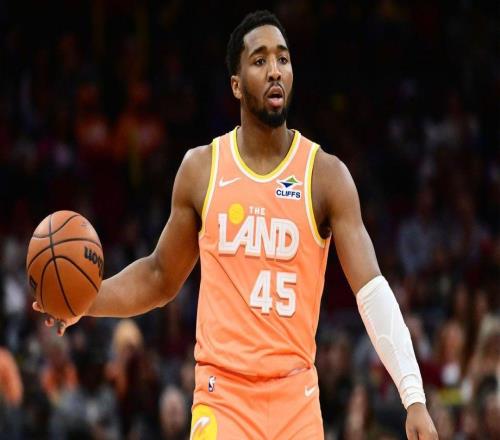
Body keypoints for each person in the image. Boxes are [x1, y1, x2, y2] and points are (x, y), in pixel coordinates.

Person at [33, 10, 438, 439]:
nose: (275, 70)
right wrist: (84, 301)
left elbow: (371, 290)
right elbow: (158, 277)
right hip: (222, 396)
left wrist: (413, 397)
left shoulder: (326, 176)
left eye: (283, 58)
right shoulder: (202, 169)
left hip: (295, 399)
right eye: (260, 60)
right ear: (236, 84)